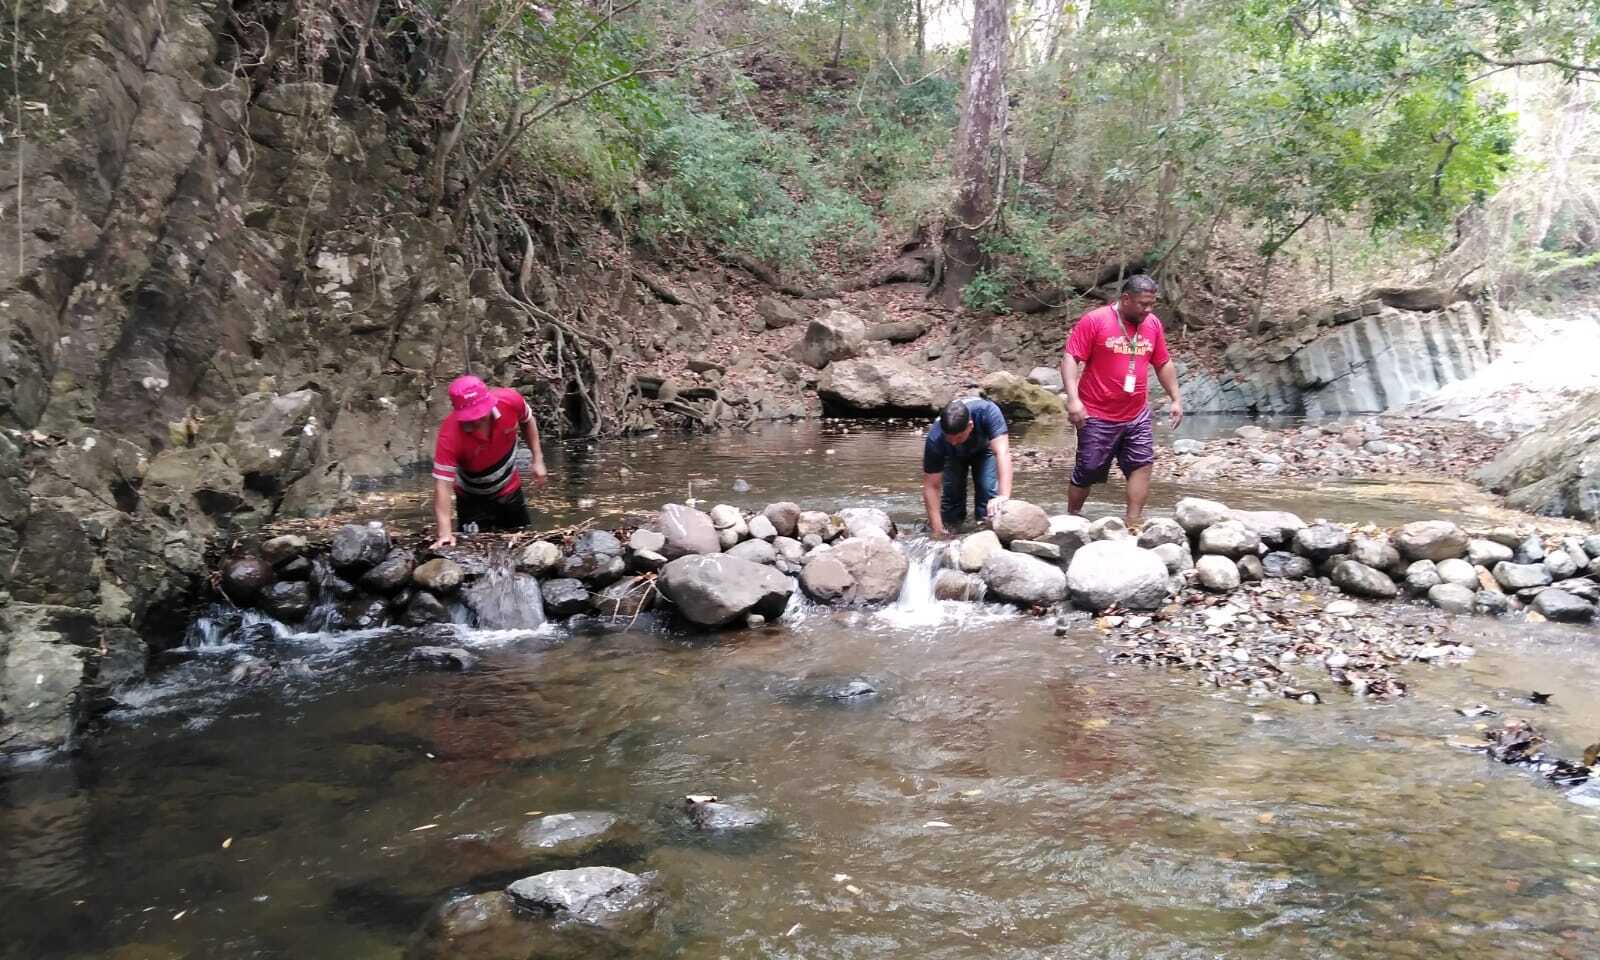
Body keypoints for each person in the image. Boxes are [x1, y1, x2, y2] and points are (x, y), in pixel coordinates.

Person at [1058, 274, 1183, 528]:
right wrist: (1073, 399)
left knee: (1142, 464)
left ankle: (1133, 523)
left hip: (1136, 413)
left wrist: (1175, 398)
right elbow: (1071, 358)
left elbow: (1162, 362)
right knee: (1088, 469)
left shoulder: (1153, 325)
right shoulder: (1096, 321)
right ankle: (1072, 519)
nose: (1148, 310)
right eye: (1142, 304)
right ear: (1125, 299)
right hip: (1096, 412)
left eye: (1151, 304)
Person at [429, 375, 548, 549]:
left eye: (480, 416)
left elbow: (527, 420)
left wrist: (537, 458)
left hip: (510, 491)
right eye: (469, 418)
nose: (475, 421)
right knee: (473, 552)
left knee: (523, 545)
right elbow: (443, 485)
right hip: (471, 499)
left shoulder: (510, 400)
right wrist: (445, 532)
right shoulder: (449, 434)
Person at [921, 397, 1014, 538]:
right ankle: (952, 532)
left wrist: (1003, 496)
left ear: (970, 426)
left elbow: (1002, 453)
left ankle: (987, 533)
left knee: (987, 490)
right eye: (949, 438)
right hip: (952, 456)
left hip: (984, 450)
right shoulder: (936, 438)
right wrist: (937, 529)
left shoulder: (987, 412)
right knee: (952, 498)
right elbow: (931, 486)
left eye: (958, 438)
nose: (953, 442)